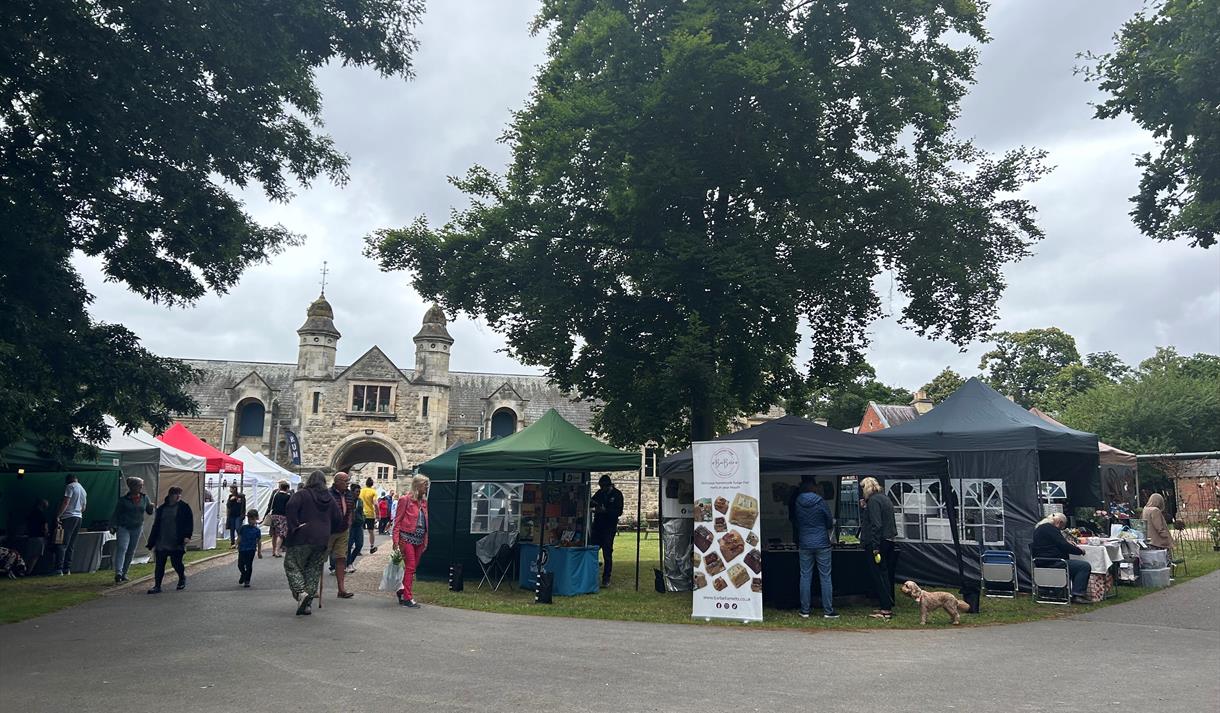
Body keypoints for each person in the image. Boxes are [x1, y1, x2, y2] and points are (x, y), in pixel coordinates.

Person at [284, 470, 343, 615]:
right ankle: (307, 603)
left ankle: (300, 592)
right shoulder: (329, 499)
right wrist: (329, 530)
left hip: (302, 536)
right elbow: (338, 518)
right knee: (313, 570)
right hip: (321, 539)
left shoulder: (301, 495)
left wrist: (294, 526)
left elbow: (290, 507)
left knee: (292, 564)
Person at [793, 478, 837, 619]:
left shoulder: (797, 502)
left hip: (805, 542)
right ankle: (828, 611)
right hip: (822, 542)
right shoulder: (820, 501)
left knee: (805, 576)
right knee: (825, 577)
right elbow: (829, 521)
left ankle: (805, 610)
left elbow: (796, 521)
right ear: (813, 487)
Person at [859, 476, 897, 620]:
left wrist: (875, 546)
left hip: (878, 542)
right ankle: (886, 604)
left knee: (879, 575)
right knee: (885, 574)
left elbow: (876, 524)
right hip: (889, 540)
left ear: (866, 488)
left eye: (862, 487)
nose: (861, 490)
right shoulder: (884, 498)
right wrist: (866, 508)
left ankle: (885, 609)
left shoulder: (874, 501)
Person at [1032, 513, 1091, 603]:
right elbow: (1063, 545)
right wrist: (1080, 551)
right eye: (1062, 527)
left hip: (1041, 561)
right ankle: (1078, 594)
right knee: (1083, 566)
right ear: (1059, 522)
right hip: (1054, 561)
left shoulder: (1040, 528)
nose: (1061, 529)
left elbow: (1057, 543)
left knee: (1075, 566)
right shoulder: (1051, 529)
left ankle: (1065, 591)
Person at [146, 486, 194, 594]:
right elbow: (156, 525)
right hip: (162, 539)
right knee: (159, 564)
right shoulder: (162, 508)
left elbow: (189, 523)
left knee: (176, 563)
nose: (178, 496)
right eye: (175, 494)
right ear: (170, 495)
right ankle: (157, 585)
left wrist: (187, 536)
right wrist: (152, 541)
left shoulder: (184, 507)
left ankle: (182, 578)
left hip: (176, 540)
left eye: (179, 494)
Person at [392, 475, 430, 608]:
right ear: (417, 485)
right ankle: (408, 597)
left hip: (419, 539)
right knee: (410, 566)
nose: (426, 487)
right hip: (406, 538)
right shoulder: (405, 500)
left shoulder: (424, 502)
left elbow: (425, 523)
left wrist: (426, 540)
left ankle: (401, 591)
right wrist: (395, 541)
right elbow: (397, 521)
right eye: (425, 484)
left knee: (413, 568)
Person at [111, 476, 154, 583]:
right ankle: (118, 573)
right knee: (122, 548)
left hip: (137, 527)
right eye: (140, 485)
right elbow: (116, 513)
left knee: (131, 551)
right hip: (124, 527)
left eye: (141, 485)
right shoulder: (123, 500)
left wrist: (151, 507)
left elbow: (149, 512)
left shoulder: (144, 498)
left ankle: (124, 573)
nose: (141, 487)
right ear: (132, 487)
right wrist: (113, 525)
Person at [327, 472, 357, 599]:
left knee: (341, 558)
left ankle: (341, 589)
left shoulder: (349, 494)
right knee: (319, 559)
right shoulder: (328, 494)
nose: (347, 483)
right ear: (337, 481)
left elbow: (350, 509)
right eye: (345, 481)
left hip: (343, 530)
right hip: (329, 531)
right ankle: (313, 587)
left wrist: (349, 521)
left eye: (348, 481)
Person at [590, 475, 624, 587]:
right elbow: (591, 502)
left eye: (603, 487)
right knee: (592, 550)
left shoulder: (617, 495)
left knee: (607, 553)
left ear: (608, 486)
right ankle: (591, 574)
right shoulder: (600, 493)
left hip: (609, 527)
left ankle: (606, 578)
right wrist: (594, 505)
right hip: (597, 526)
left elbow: (618, 512)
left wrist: (605, 511)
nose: (601, 489)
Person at [55, 473, 88, 575]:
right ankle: (67, 569)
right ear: (76, 479)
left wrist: (58, 515)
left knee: (62, 543)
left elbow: (66, 502)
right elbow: (84, 508)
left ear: (68, 481)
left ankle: (58, 569)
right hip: (79, 517)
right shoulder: (83, 490)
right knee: (71, 545)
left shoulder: (70, 487)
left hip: (68, 517)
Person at [23, 499, 51, 574]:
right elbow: (45, 528)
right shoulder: (42, 515)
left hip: (30, 537)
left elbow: (26, 525)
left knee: (28, 555)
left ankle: (21, 570)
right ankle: (28, 572)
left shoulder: (31, 514)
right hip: (39, 538)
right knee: (35, 556)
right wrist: (46, 535)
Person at [237, 508, 263, 587]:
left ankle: (247, 580)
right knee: (240, 564)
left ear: (256, 519)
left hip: (251, 549)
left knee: (249, 565)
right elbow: (239, 537)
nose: (250, 521)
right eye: (249, 519)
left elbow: (259, 541)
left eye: (252, 519)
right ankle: (243, 574)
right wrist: (236, 544)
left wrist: (259, 552)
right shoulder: (243, 528)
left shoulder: (257, 530)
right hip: (242, 549)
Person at [267, 480, 292, 557]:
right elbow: (289, 507)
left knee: (274, 534)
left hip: (274, 515)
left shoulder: (275, 495)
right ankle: (277, 550)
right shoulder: (288, 497)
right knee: (281, 534)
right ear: (287, 488)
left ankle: (274, 550)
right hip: (282, 516)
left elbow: (271, 505)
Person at [358, 477, 379, 553]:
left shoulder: (361, 491)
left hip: (361, 513)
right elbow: (376, 504)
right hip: (370, 514)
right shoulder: (373, 492)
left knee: (359, 531)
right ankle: (372, 547)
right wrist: (378, 514)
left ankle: (358, 548)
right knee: (371, 531)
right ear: (372, 484)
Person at [345, 493, 365, 573]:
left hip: (359, 524)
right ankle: (348, 564)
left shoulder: (360, 501)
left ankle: (351, 561)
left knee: (359, 544)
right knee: (349, 545)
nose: (358, 493)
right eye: (356, 491)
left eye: (359, 491)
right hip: (351, 525)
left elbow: (361, 511)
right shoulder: (349, 500)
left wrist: (363, 518)